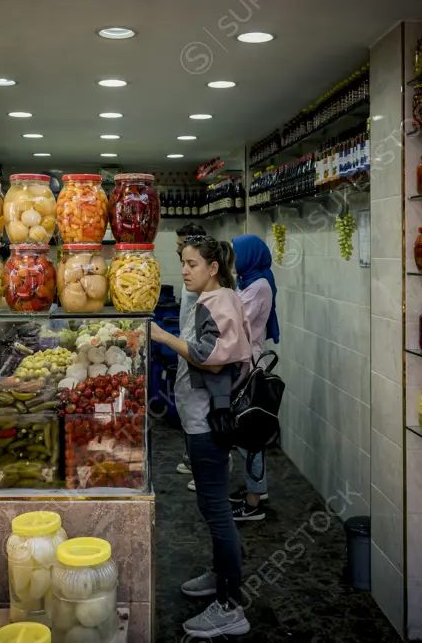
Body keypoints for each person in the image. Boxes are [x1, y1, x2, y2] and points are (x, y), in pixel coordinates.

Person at [151, 235, 252, 638]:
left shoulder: (221, 301)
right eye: (183, 263)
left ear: (213, 267)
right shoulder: (211, 300)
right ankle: (219, 575)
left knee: (217, 511)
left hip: (210, 423)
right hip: (199, 420)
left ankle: (231, 606)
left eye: (192, 263)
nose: (185, 271)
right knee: (211, 509)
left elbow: (211, 360)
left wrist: (162, 337)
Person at [228, 234, 280, 522]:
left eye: (236, 254)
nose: (233, 261)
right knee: (245, 432)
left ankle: (253, 503)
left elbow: (238, 321)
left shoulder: (259, 285)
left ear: (250, 255)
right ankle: (255, 488)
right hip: (244, 359)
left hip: (250, 363)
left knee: (250, 433)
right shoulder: (248, 280)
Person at [174, 223, 207, 482]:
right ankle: (193, 460)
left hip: (197, 351)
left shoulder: (209, 288)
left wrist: (165, 338)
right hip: (187, 345)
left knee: (201, 415)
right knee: (187, 408)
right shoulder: (191, 277)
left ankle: (207, 471)